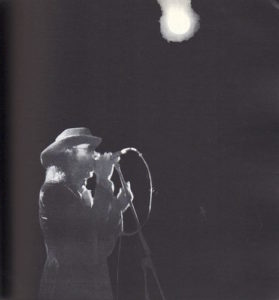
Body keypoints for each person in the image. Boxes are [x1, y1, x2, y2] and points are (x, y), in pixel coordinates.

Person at [38, 127, 133, 300]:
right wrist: (103, 181)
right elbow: (87, 237)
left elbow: (100, 245)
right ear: (69, 155)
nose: (95, 155)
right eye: (88, 149)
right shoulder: (53, 192)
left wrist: (118, 207)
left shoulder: (84, 194)